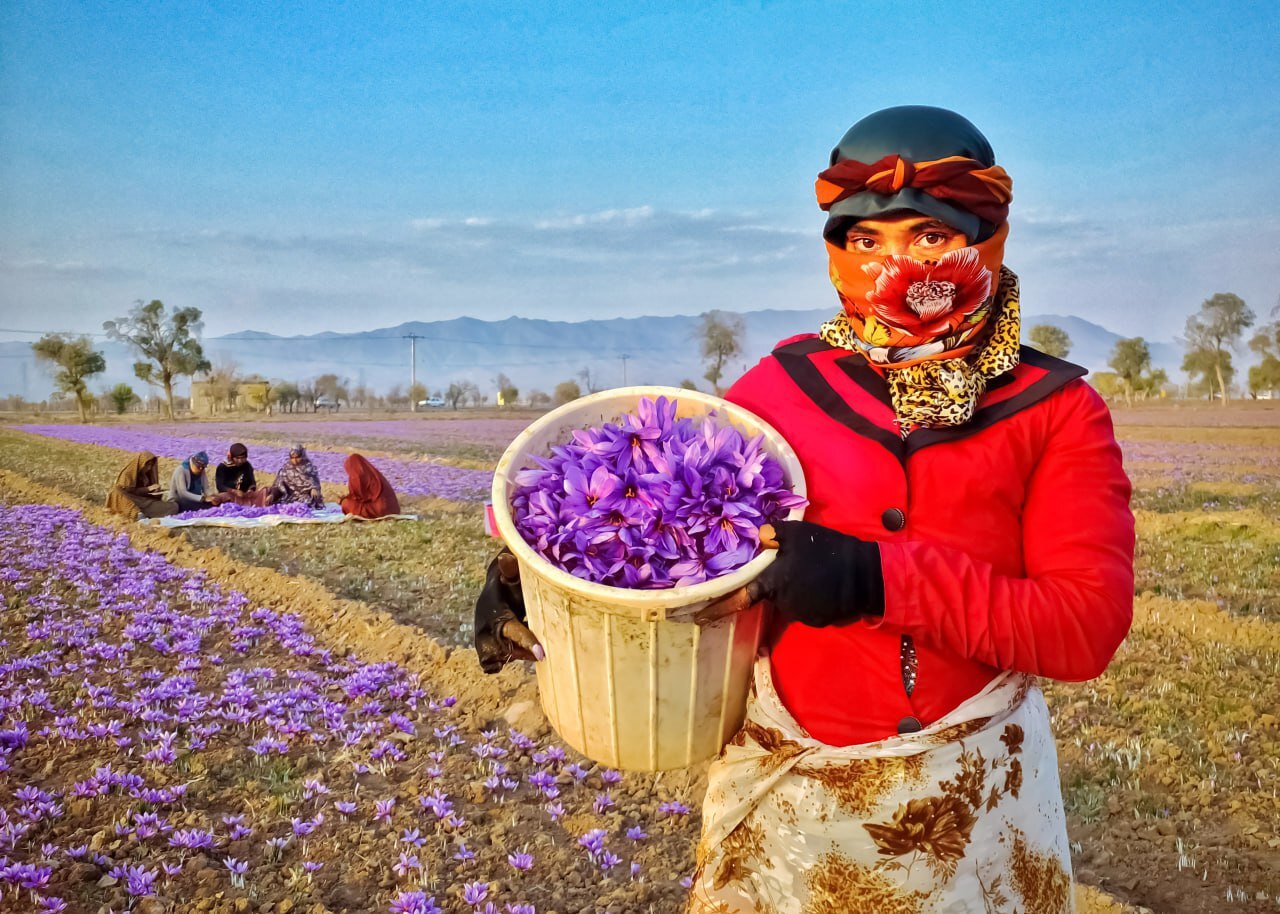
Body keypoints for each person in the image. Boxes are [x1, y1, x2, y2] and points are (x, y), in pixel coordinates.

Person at [474, 106, 1135, 913]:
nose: (895, 264)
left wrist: (873, 579)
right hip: (797, 807)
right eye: (866, 241)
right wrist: (541, 578)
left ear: (987, 237)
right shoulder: (782, 390)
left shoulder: (1053, 409)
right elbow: (674, 534)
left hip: (975, 807)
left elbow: (1083, 626)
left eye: (929, 237)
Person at [106, 451, 179, 519]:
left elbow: (148, 494)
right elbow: (126, 491)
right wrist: (148, 489)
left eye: (151, 465)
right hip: (130, 500)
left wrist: (156, 491)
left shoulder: (147, 475)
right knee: (119, 494)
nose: (149, 468)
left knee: (174, 506)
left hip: (144, 502)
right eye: (147, 465)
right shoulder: (128, 474)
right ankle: (138, 514)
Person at [339, 453, 401, 518]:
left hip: (380, 509)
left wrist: (344, 499)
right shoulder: (375, 475)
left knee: (346, 504)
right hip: (393, 509)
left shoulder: (357, 477)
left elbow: (359, 497)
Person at [271, 443, 324, 509]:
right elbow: (277, 485)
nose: (295, 460)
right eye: (292, 458)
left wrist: (314, 489)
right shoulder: (285, 469)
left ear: (302, 456)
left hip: (305, 496)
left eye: (297, 457)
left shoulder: (310, 468)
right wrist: (273, 495)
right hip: (289, 497)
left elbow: (315, 483)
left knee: (306, 503)